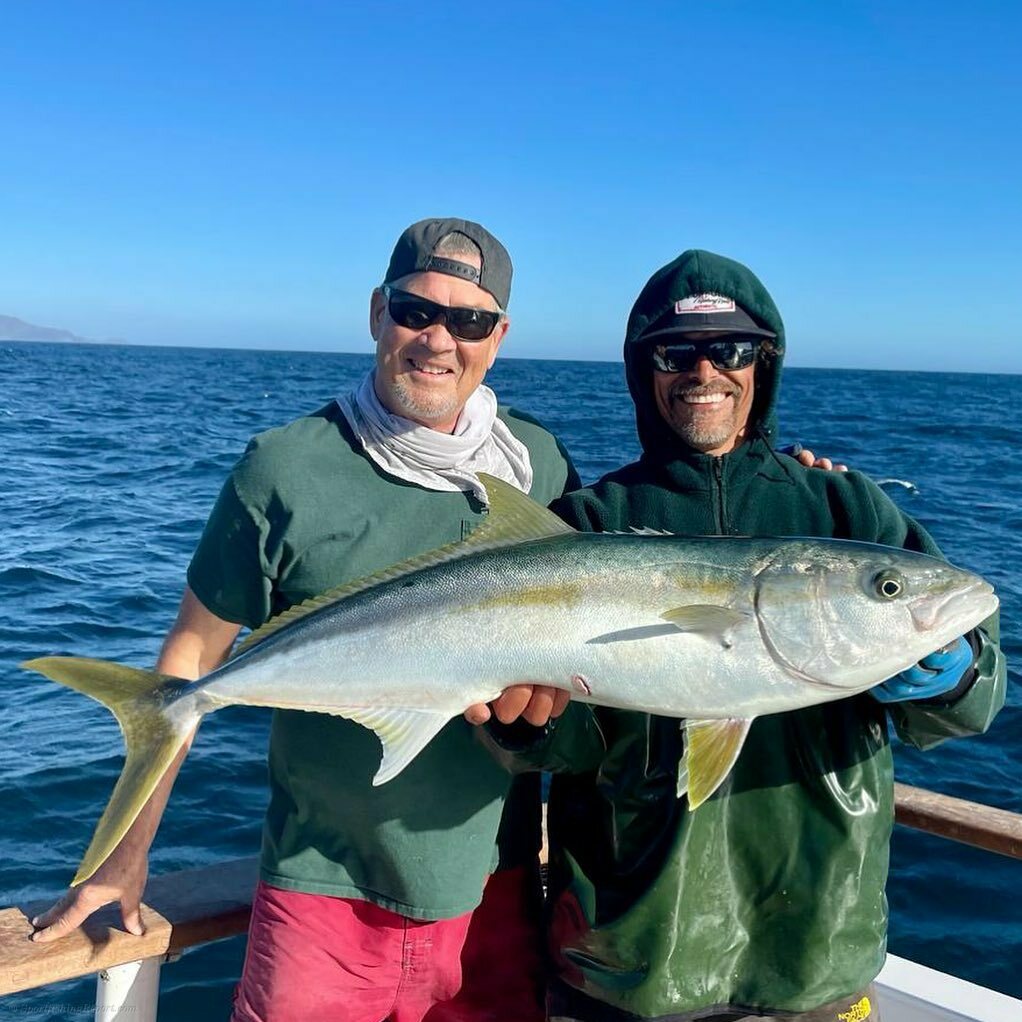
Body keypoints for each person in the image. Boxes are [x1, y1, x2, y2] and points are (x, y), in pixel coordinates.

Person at [31, 218, 578, 1022]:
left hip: (490, 891)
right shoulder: (285, 466)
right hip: (320, 889)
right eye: (414, 311)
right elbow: (188, 656)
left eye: (466, 321)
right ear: (374, 313)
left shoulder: (540, 464)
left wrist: (807, 477)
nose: (437, 340)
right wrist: (123, 855)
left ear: (497, 338)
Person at [527, 250, 1006, 1022]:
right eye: (675, 352)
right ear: (644, 369)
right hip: (630, 957)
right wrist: (530, 729)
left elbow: (975, 700)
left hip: (814, 950)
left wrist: (954, 675)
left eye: (734, 349)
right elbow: (562, 749)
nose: (704, 369)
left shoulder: (846, 510)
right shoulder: (590, 522)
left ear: (766, 363)